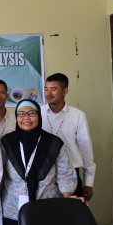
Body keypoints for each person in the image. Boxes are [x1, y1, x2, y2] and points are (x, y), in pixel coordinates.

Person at [0, 99, 78, 225]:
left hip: (47, 207)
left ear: (39, 116)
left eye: (31, 113)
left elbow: (65, 174)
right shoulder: (7, 142)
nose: (26, 118)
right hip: (13, 210)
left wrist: (68, 197)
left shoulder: (54, 143)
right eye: (21, 114)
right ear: (16, 117)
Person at [41, 73, 96, 201]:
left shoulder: (78, 116)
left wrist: (89, 183)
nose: (48, 93)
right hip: (44, 174)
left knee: (71, 215)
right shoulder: (37, 114)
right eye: (46, 88)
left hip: (71, 173)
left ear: (65, 91)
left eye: (53, 89)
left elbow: (85, 149)